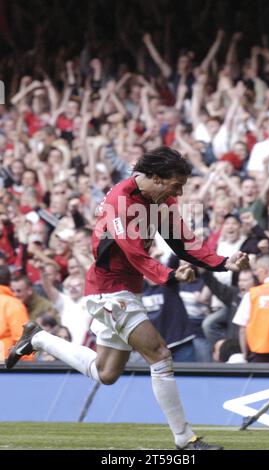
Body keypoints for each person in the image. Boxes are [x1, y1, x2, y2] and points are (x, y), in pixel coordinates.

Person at [6, 146, 249, 450]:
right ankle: (185, 440)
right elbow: (133, 250)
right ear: (157, 178)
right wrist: (169, 276)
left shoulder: (162, 201)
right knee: (159, 354)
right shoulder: (120, 200)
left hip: (127, 288)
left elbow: (184, 242)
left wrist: (224, 262)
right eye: (176, 185)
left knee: (105, 373)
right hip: (108, 289)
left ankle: (38, 338)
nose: (179, 192)